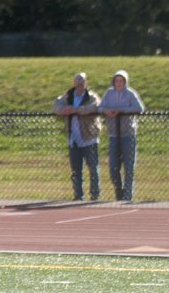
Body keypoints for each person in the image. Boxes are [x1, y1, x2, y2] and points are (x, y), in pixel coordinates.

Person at [53, 73, 102, 201]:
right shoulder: (68, 96)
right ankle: (78, 195)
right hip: (73, 139)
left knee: (93, 168)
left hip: (89, 138)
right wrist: (65, 109)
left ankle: (95, 195)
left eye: (82, 81)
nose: (80, 84)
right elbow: (57, 106)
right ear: (74, 82)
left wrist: (77, 110)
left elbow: (95, 107)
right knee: (76, 170)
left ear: (86, 83)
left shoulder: (91, 96)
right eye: (77, 81)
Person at [99, 70, 145, 201]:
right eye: (117, 80)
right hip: (113, 134)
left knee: (129, 166)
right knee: (113, 166)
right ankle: (119, 191)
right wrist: (106, 111)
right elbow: (100, 107)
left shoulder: (130, 93)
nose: (119, 83)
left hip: (128, 134)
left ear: (125, 82)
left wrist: (122, 110)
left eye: (121, 80)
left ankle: (128, 196)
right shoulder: (109, 93)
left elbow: (139, 108)